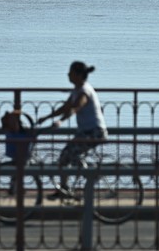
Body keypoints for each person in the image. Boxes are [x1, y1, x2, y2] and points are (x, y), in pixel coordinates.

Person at [37, 61, 108, 198]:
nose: (68, 75)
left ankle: (92, 176)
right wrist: (47, 117)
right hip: (86, 132)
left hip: (95, 132)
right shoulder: (77, 90)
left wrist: (61, 121)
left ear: (79, 75)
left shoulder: (84, 91)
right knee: (64, 157)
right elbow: (66, 107)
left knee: (72, 154)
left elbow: (76, 108)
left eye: (71, 72)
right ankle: (64, 189)